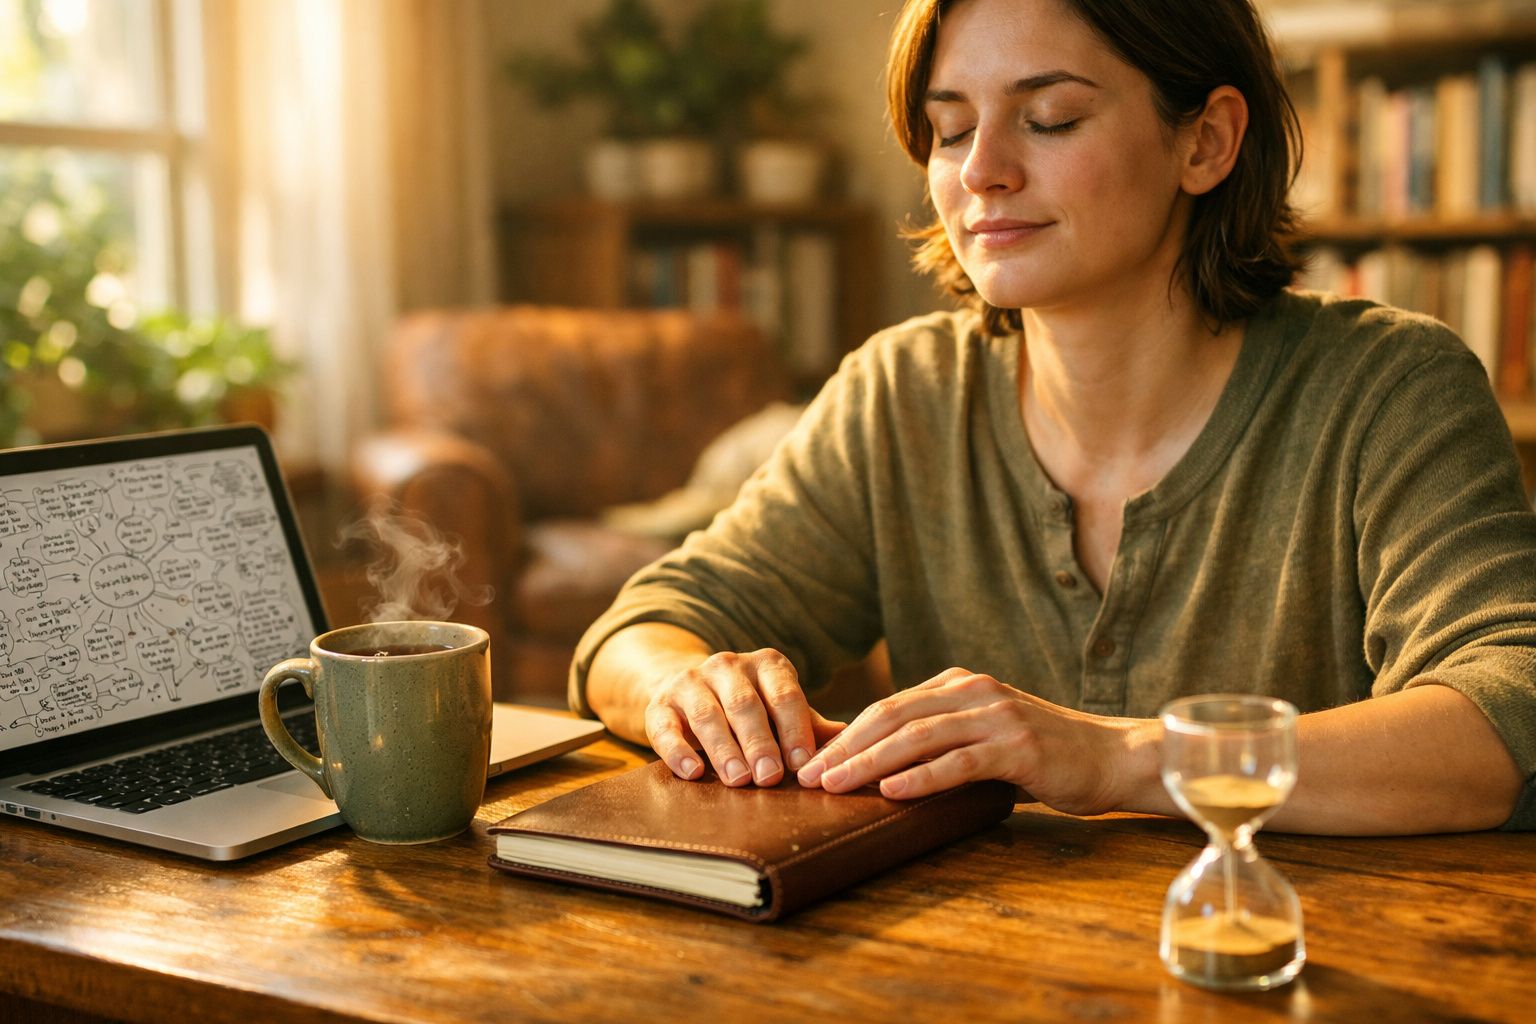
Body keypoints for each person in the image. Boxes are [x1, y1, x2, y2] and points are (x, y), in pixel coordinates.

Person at [570, 0, 1536, 834]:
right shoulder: (902, 395)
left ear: (1206, 141)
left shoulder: (1390, 387)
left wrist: (1117, 758)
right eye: (950, 130)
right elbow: (641, 629)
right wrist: (688, 691)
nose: (981, 171)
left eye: (1051, 118)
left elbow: (1506, 715)